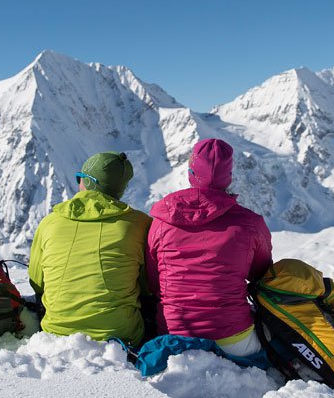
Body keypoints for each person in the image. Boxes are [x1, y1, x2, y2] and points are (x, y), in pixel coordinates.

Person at [146, 138, 273, 361]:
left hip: (175, 334)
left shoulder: (161, 221)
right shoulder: (250, 223)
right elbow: (262, 276)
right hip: (233, 337)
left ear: (191, 171)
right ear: (229, 176)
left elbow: (153, 280)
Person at [28, 151, 151, 346]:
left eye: (80, 178)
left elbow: (37, 281)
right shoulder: (141, 225)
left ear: (89, 182)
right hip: (121, 335)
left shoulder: (50, 222)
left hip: (56, 332)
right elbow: (149, 285)